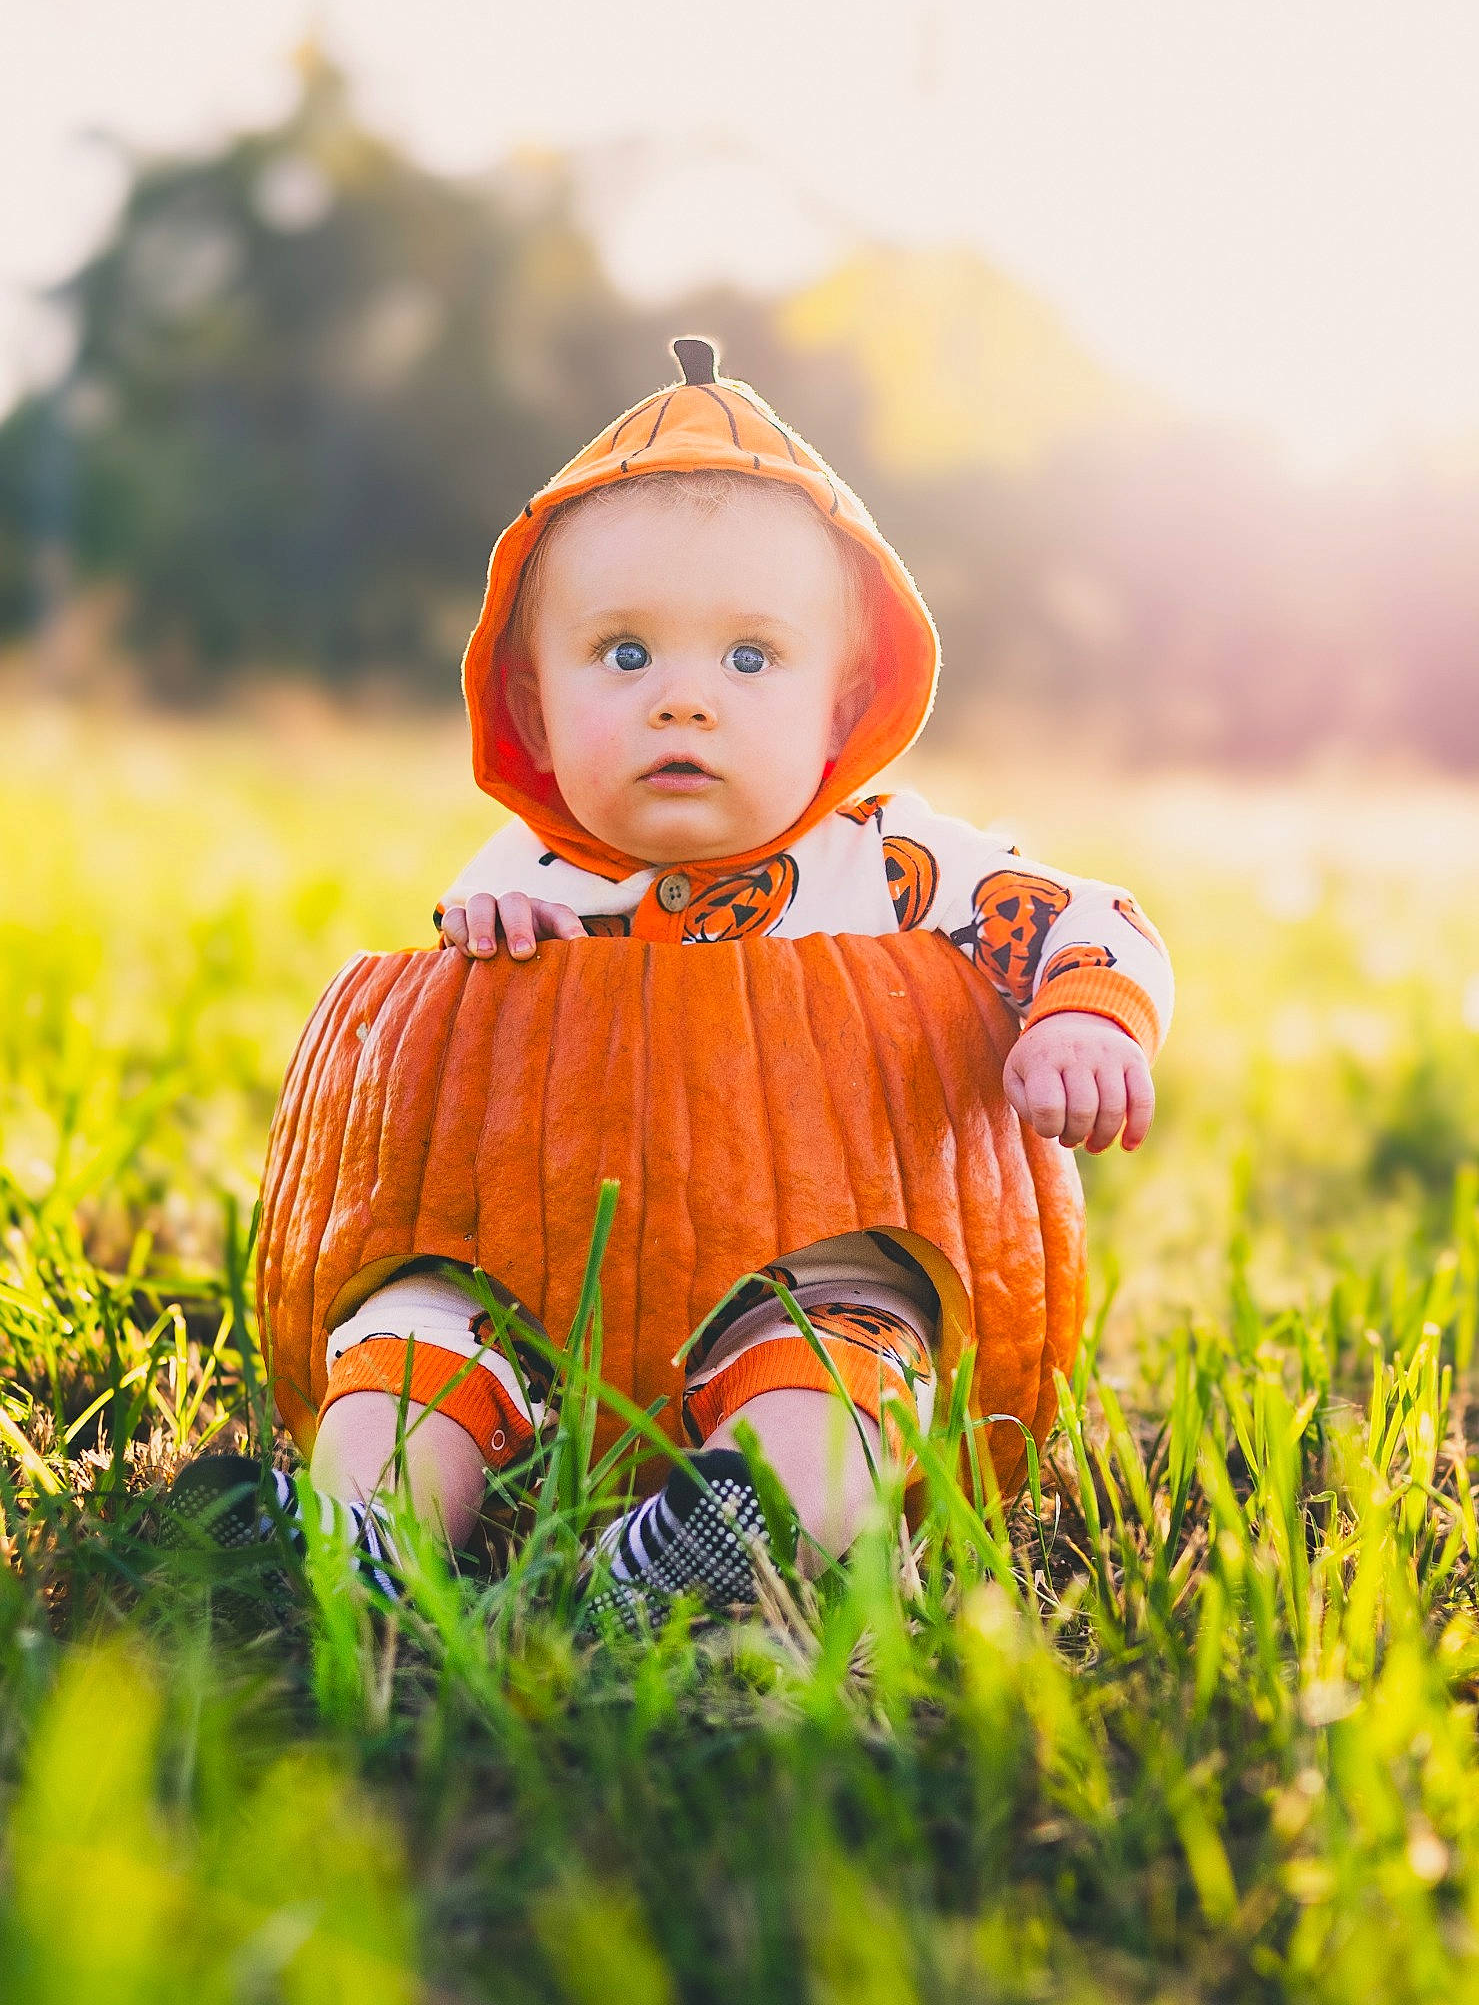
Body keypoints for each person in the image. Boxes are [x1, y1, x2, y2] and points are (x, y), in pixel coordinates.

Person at [165, 339, 1172, 1627]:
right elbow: (448, 1094)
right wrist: (493, 945)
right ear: (534, 705)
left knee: (834, 1387)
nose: (683, 701)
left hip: (818, 1276)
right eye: (624, 654)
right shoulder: (524, 878)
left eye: (751, 659)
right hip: (532, 1295)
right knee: (417, 1330)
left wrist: (1087, 1019)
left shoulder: (892, 863)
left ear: (840, 703)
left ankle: (722, 1540)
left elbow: (1088, 918)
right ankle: (368, 1529)